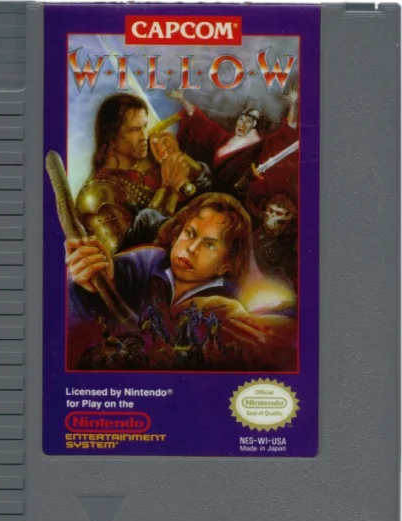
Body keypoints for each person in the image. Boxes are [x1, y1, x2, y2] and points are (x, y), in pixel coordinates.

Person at [66, 192, 298, 370]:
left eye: (209, 245)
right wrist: (85, 287)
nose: (191, 249)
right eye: (189, 233)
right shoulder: (145, 262)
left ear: (226, 263)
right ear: (177, 233)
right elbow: (78, 317)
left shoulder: (229, 305)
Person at [75, 92, 211, 255]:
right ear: (111, 137)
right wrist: (169, 188)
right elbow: (126, 258)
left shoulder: (154, 165)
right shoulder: (95, 195)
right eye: (134, 130)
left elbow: (208, 191)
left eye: (144, 126)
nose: (144, 136)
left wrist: (177, 157)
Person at [169, 86, 298, 199]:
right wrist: (182, 100)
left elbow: (286, 133)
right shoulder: (224, 139)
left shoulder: (259, 146)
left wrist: (293, 104)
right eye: (241, 120)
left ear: (254, 127)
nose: (242, 124)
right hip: (208, 191)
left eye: (248, 122)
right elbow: (203, 123)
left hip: (233, 199)